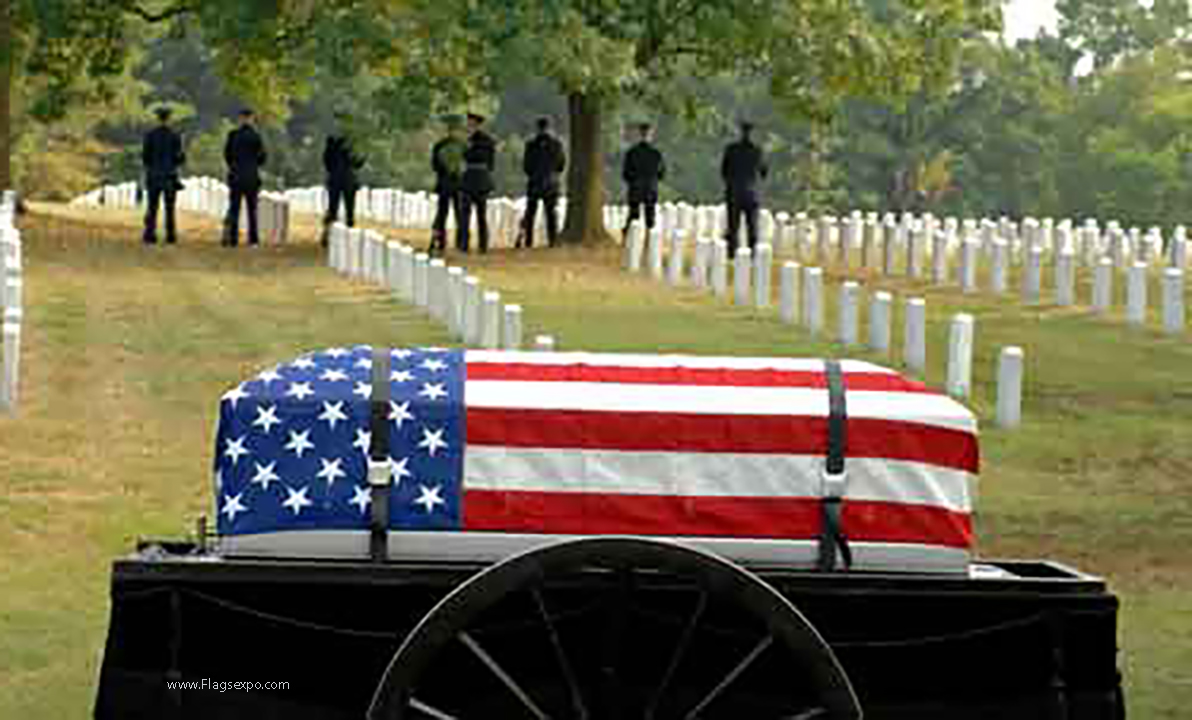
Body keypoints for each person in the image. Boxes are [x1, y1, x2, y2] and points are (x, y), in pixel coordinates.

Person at [721, 120, 768, 259]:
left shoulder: (731, 149)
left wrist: (732, 181)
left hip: (734, 191)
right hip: (751, 192)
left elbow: (724, 171)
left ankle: (731, 253)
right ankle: (753, 254)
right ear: (752, 133)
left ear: (740, 132)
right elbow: (764, 172)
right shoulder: (757, 151)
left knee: (733, 225)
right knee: (752, 225)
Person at [223, 108, 267, 247]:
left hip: (236, 176)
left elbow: (227, 155)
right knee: (252, 210)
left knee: (234, 208)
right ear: (251, 118)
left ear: (240, 118)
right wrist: (253, 164)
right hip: (251, 177)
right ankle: (253, 239)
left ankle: (233, 239)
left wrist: (234, 166)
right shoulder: (256, 136)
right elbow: (263, 158)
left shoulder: (233, 135)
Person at [141, 107, 185, 245]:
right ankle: (171, 235)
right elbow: (180, 159)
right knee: (170, 208)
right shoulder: (175, 135)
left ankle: (150, 235)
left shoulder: (150, 135)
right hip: (169, 177)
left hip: (153, 176)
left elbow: (145, 157)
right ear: (169, 118)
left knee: (152, 207)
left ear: (158, 118)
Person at [521, 117, 566, 248]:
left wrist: (534, 174)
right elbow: (561, 165)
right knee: (551, 214)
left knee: (530, 213)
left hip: (534, 181)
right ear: (549, 127)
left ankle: (528, 241)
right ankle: (552, 240)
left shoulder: (530, 144)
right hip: (551, 182)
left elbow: (526, 166)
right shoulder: (557, 144)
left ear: (537, 128)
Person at [321, 114, 366, 246]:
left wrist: (333, 171)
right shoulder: (353, 142)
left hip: (335, 178)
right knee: (350, 209)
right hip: (349, 179)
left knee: (332, 208)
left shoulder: (331, 140)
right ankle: (349, 237)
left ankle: (327, 236)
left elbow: (326, 161)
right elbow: (358, 163)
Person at [459, 113, 496, 253]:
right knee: (467, 215)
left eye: (471, 124)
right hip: (475, 178)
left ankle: (478, 245)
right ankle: (470, 244)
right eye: (469, 123)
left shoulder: (479, 141)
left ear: (477, 124)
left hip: (476, 178)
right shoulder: (484, 140)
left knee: (479, 215)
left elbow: (486, 161)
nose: (469, 126)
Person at [430, 115, 467, 255]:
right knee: (459, 214)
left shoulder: (439, 145)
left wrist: (445, 171)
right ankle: (461, 242)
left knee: (442, 214)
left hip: (444, 183)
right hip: (458, 183)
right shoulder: (463, 146)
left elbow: (434, 165)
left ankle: (440, 241)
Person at [621, 122, 665, 238]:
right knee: (650, 217)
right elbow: (661, 173)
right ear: (650, 135)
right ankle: (650, 242)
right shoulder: (656, 154)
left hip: (635, 188)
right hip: (650, 188)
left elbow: (625, 173)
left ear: (639, 135)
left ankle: (628, 239)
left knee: (633, 215)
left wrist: (633, 181)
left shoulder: (631, 153)